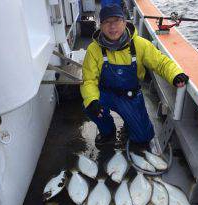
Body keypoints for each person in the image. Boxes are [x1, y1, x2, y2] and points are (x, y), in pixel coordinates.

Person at [80, 4, 189, 147]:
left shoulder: (140, 44)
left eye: (117, 20)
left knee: (143, 138)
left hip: (130, 96)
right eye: (107, 22)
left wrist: (176, 74)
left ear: (125, 22)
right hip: (105, 93)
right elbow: (89, 80)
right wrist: (92, 99)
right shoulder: (93, 50)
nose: (112, 26)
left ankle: (130, 122)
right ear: (101, 26)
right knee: (89, 106)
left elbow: (161, 63)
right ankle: (108, 131)